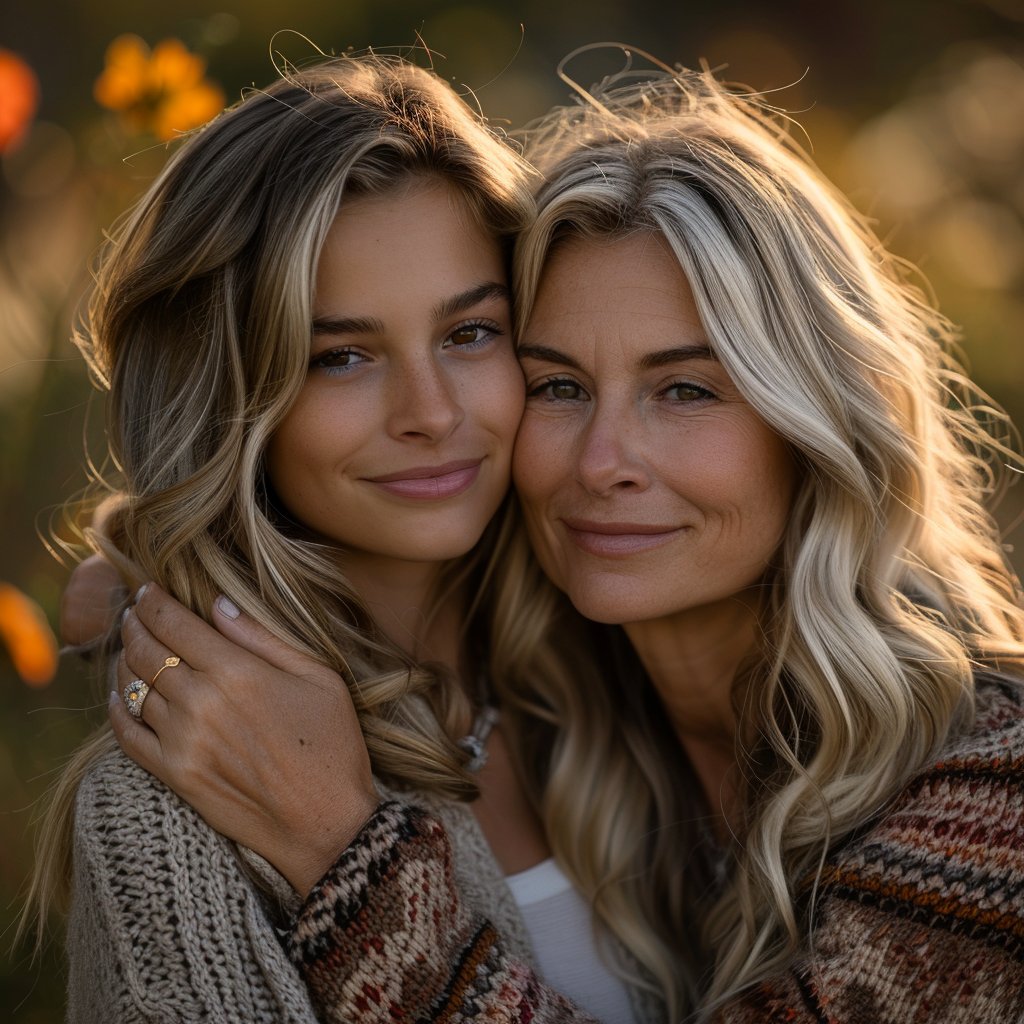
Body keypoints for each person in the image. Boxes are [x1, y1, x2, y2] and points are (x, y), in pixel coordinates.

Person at [90, 63, 1024, 1023]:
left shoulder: (993, 790)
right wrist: (164, 593)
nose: (601, 463)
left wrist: (348, 863)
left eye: (686, 389)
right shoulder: (582, 703)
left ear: (820, 424)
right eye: (560, 386)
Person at [25, 53, 675, 1023]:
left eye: (468, 334)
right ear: (234, 396)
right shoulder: (168, 814)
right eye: (341, 356)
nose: (429, 412)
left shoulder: (616, 656)